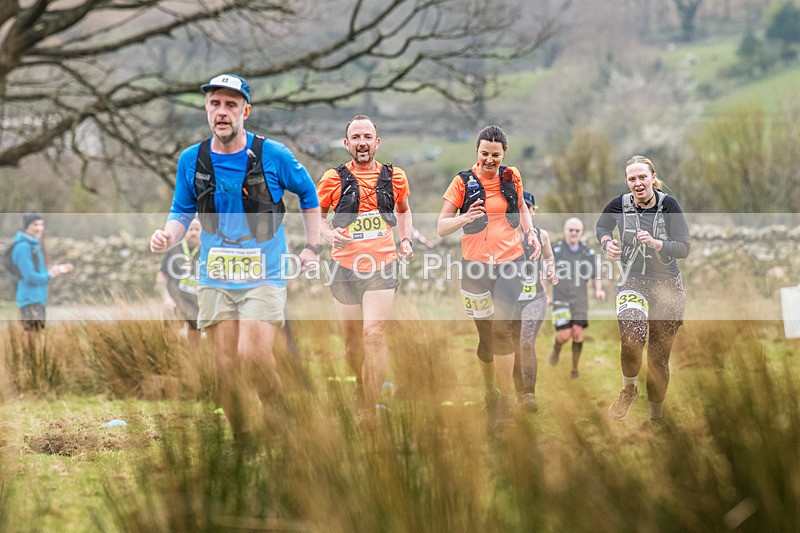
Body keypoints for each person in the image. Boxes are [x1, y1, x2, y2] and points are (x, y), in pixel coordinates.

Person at [150, 74, 321, 435]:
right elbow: (182, 209)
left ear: (246, 109)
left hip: (264, 273)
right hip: (214, 275)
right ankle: (242, 441)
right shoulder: (191, 160)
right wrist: (168, 234)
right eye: (215, 104)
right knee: (225, 367)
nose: (222, 112)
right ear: (206, 109)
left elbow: (308, 194)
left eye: (231, 104)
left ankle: (280, 421)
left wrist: (312, 246)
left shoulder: (272, 154)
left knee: (253, 358)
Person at [437, 125, 540, 430]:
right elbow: (441, 226)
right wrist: (464, 218)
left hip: (511, 263)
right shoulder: (461, 182)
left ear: (504, 154)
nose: (490, 160)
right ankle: (490, 394)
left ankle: (506, 403)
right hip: (475, 268)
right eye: (484, 154)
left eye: (496, 155)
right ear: (476, 152)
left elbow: (521, 205)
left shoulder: (512, 176)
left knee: (501, 330)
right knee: (485, 340)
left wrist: (530, 232)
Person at [316, 114, 413, 424]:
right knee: (351, 346)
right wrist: (327, 233)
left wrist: (406, 240)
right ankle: (362, 383)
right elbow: (314, 216)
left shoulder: (395, 177)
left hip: (382, 264)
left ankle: (368, 408)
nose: (361, 142)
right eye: (355, 137)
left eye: (367, 137)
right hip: (344, 267)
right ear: (347, 144)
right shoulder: (333, 179)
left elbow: (404, 210)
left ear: (377, 142)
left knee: (374, 335)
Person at [596, 155, 690, 422]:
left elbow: (684, 248)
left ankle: (656, 419)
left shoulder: (669, 205)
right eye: (631, 179)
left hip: (667, 286)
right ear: (627, 182)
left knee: (658, 359)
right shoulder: (619, 205)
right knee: (633, 336)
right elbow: (602, 226)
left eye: (642, 177)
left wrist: (658, 243)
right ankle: (628, 389)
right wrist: (607, 243)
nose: (637, 183)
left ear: (652, 177)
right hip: (632, 281)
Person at [512, 191, 557, 413]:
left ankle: (529, 395)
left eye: (526, 209)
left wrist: (550, 272)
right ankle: (520, 396)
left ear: (533, 211)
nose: (523, 213)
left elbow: (548, 257)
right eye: (518, 209)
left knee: (526, 342)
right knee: (513, 349)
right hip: (510, 301)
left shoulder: (542, 235)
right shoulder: (506, 235)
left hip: (535, 299)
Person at [548, 217, 606, 379]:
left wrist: (598, 290)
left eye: (577, 231)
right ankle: (557, 346)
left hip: (580, 299)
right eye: (570, 230)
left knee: (577, 333)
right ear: (565, 231)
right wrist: (546, 294)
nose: (573, 233)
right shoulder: (555, 249)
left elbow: (596, 275)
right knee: (565, 334)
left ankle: (575, 369)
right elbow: (545, 272)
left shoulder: (588, 252)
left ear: (582, 233)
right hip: (560, 297)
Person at [10, 213, 73, 335]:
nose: (39, 228)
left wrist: (56, 269)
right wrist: (51, 274)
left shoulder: (34, 245)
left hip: (38, 299)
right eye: (35, 224)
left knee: (35, 337)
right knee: (31, 338)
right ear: (26, 226)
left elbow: (39, 271)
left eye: (41, 224)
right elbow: (30, 277)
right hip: (30, 300)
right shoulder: (23, 247)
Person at [156, 217, 202, 345]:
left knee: (195, 344)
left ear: (202, 232)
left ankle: (193, 362)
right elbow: (161, 276)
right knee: (171, 338)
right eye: (190, 229)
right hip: (175, 301)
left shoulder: (207, 253)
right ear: (185, 231)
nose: (193, 232)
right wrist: (166, 298)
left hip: (196, 304)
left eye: (197, 229)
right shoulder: (174, 250)